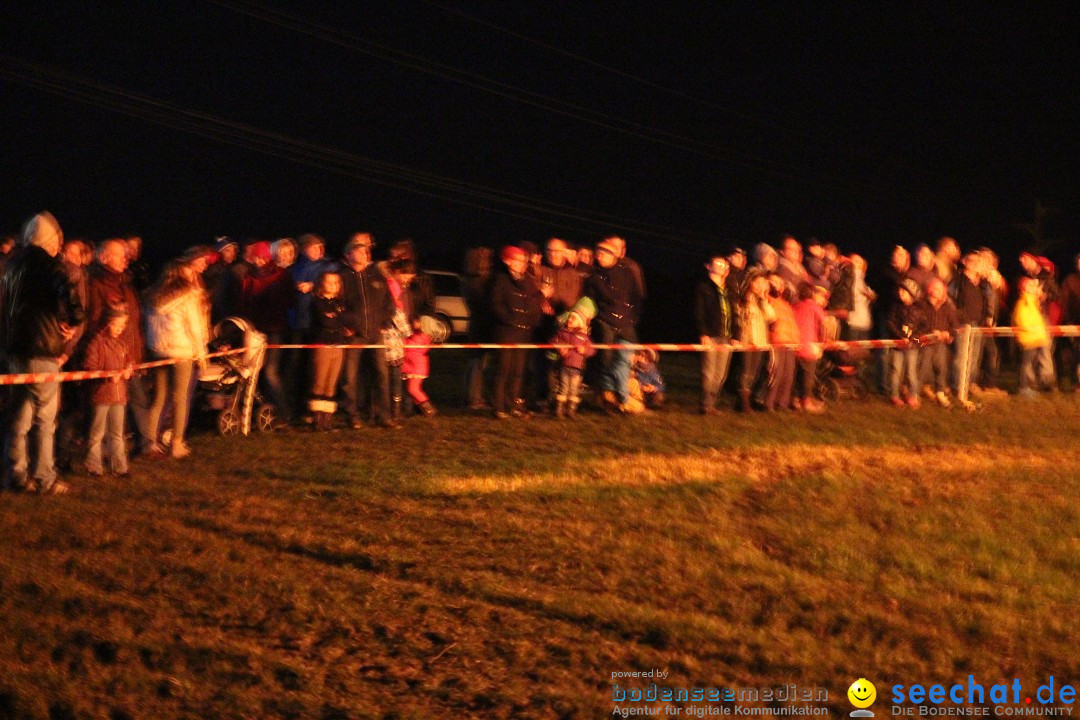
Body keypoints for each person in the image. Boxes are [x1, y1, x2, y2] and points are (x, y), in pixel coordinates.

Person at [1, 211, 84, 494]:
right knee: (46, 419)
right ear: (51, 241)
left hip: (15, 350)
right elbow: (72, 299)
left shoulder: (11, 266)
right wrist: (72, 323)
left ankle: (16, 474)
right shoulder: (52, 267)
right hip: (43, 349)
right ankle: (45, 476)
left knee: (19, 416)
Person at [85, 239, 151, 455]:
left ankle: (146, 444)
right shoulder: (97, 284)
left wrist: (137, 353)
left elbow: (134, 321)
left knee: (137, 400)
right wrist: (103, 354)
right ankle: (103, 452)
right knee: (108, 404)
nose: (125, 258)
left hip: (128, 352)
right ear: (104, 257)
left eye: (126, 254)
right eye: (119, 254)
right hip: (110, 355)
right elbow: (95, 320)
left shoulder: (125, 283)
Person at [144, 257, 210, 459]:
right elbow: (194, 326)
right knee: (180, 398)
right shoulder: (189, 295)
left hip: (158, 351)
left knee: (158, 398)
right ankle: (177, 443)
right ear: (180, 274)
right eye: (189, 272)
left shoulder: (151, 296)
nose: (193, 275)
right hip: (181, 351)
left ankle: (148, 442)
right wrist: (201, 353)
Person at [338, 232, 397, 429]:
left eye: (366, 251)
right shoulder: (342, 277)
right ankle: (352, 415)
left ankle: (384, 416)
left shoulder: (377, 275)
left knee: (381, 374)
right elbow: (336, 305)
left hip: (376, 333)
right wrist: (347, 325)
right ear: (349, 255)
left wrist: (384, 322)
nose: (364, 254)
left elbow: (389, 303)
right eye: (360, 250)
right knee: (350, 377)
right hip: (354, 334)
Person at [584, 238, 643, 413]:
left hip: (625, 323)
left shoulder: (627, 273)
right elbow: (590, 301)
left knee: (624, 360)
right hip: (605, 322)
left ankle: (623, 396)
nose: (600, 257)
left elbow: (636, 297)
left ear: (613, 256)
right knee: (606, 360)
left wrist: (632, 318)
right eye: (598, 253)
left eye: (604, 253)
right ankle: (607, 397)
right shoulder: (594, 277)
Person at [490, 245, 545, 419]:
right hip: (507, 333)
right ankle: (499, 407)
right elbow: (495, 305)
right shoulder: (500, 280)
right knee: (503, 370)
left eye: (524, 261)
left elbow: (535, 301)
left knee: (518, 371)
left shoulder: (527, 281)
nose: (522, 264)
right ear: (507, 261)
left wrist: (532, 320)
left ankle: (513, 404)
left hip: (524, 334)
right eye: (518, 260)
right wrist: (510, 319)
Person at [82, 303, 133, 477]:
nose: (119, 329)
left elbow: (128, 361)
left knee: (117, 434)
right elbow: (89, 367)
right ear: (107, 323)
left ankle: (120, 468)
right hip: (102, 395)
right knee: (97, 433)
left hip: (119, 396)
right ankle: (93, 466)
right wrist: (107, 377)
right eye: (116, 325)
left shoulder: (121, 344)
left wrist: (128, 369)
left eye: (122, 326)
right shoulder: (97, 342)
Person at [307, 271, 350, 431]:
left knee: (331, 383)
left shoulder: (340, 304)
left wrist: (336, 318)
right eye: (329, 282)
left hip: (338, 346)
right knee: (320, 381)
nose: (333, 285)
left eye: (336, 282)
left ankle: (327, 420)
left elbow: (345, 319)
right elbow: (324, 321)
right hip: (323, 345)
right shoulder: (317, 302)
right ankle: (317, 419)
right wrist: (334, 320)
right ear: (322, 284)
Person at [694, 254, 736, 414]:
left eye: (724, 264)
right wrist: (703, 333)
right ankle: (705, 405)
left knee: (721, 374)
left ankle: (712, 402)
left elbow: (734, 313)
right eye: (718, 263)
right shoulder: (703, 287)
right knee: (709, 372)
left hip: (726, 336)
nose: (722, 266)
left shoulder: (729, 289)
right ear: (709, 266)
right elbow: (699, 312)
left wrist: (736, 335)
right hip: (711, 335)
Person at [950, 251, 986, 409]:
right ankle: (958, 386)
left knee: (974, 356)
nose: (976, 265)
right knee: (962, 356)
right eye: (973, 261)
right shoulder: (958, 281)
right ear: (966, 263)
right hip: (964, 324)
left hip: (977, 324)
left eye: (978, 262)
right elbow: (951, 300)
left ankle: (969, 384)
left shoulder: (980, 283)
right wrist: (960, 319)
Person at [737, 269, 775, 413]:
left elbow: (771, 317)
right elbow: (741, 319)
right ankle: (744, 401)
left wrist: (764, 299)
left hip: (760, 341)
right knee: (746, 371)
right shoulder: (744, 299)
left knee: (754, 372)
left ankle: (743, 400)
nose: (760, 286)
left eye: (763, 283)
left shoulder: (762, 301)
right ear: (751, 282)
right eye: (757, 282)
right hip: (747, 340)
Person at [551, 297, 596, 419]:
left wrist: (585, 350)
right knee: (564, 388)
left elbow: (592, 350)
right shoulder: (563, 332)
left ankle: (571, 411)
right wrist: (560, 347)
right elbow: (554, 341)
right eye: (570, 317)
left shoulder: (584, 337)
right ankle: (559, 410)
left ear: (580, 322)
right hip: (564, 366)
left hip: (577, 368)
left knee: (574, 390)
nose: (570, 319)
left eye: (574, 318)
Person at [918, 278, 959, 408]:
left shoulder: (947, 307)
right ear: (929, 290)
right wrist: (929, 332)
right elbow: (917, 323)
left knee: (941, 366)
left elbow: (955, 326)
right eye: (934, 288)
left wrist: (948, 333)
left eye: (939, 290)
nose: (936, 292)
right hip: (925, 342)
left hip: (940, 342)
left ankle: (940, 391)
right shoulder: (921, 305)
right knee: (923, 367)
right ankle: (916, 391)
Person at [886, 278, 926, 408]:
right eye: (900, 290)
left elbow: (923, 326)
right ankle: (894, 395)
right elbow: (890, 323)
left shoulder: (919, 310)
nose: (901, 293)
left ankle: (913, 395)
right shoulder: (895, 308)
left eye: (904, 291)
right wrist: (899, 336)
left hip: (911, 346)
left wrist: (913, 337)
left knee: (911, 372)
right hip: (898, 346)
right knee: (896, 371)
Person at [1013, 277, 1055, 398]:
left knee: (1028, 363)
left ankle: (1026, 387)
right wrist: (1032, 330)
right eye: (1031, 286)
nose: (1035, 288)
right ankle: (1023, 388)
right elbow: (1022, 319)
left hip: (1034, 338)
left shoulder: (1032, 301)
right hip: (1029, 339)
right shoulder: (1024, 302)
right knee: (1025, 365)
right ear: (1025, 288)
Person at [765, 274, 798, 412]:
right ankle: (769, 403)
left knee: (788, 374)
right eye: (773, 282)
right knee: (776, 374)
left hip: (790, 341)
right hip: (777, 340)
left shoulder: (784, 303)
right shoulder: (768, 300)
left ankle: (782, 403)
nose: (777, 284)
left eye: (779, 282)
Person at [793, 282, 828, 413]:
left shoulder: (795, 305)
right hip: (810, 346)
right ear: (813, 294)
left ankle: (796, 400)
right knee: (808, 375)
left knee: (797, 375)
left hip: (795, 345)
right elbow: (825, 325)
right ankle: (806, 401)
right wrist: (823, 342)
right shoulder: (814, 307)